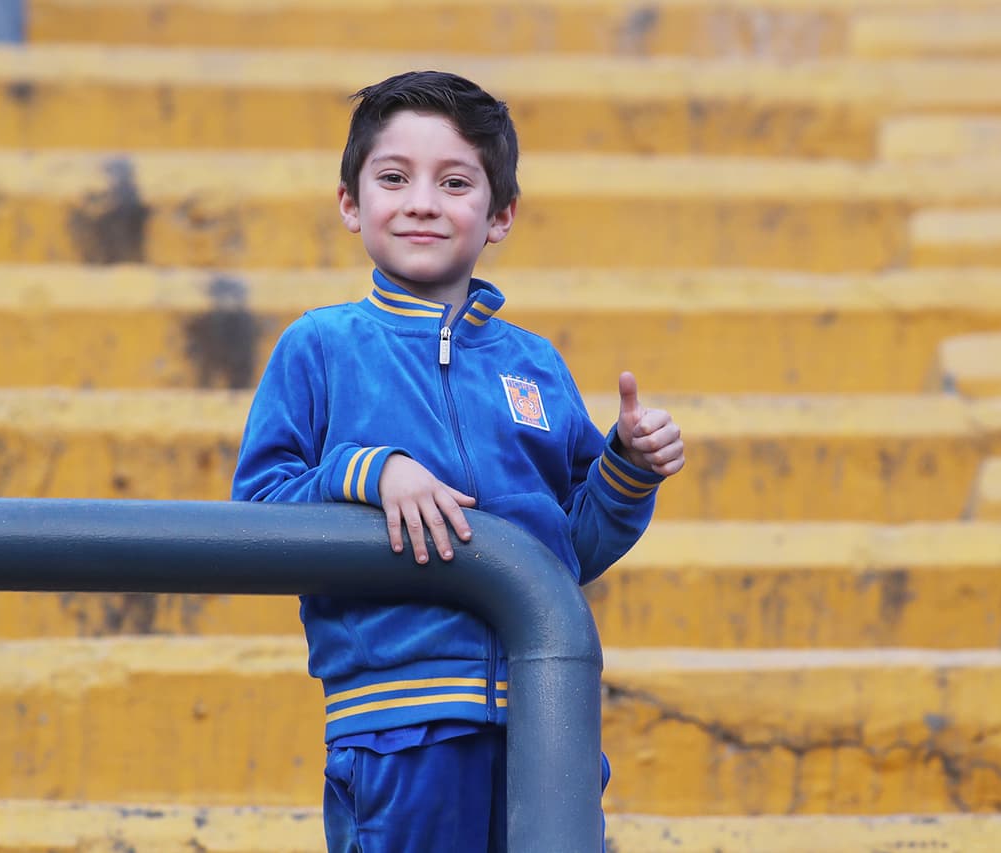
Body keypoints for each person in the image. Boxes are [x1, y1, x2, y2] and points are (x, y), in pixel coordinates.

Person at [231, 70, 685, 852]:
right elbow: (260, 511)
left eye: (454, 182)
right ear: (350, 202)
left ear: (499, 214)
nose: (421, 202)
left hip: (546, 718)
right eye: (394, 177)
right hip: (399, 728)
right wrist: (368, 471)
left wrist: (628, 468)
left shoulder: (534, 364)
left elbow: (572, 546)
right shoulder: (322, 347)